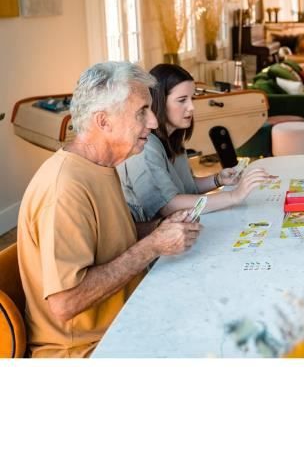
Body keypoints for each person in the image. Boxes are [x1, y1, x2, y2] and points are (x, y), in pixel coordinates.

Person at [17, 62, 202, 358]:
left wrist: (157, 229)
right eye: (142, 111)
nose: (154, 122)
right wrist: (153, 246)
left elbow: (106, 239)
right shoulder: (64, 188)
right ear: (103, 122)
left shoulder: (101, 165)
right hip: (87, 349)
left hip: (128, 318)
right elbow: (65, 302)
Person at [117, 63, 274, 222]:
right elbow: (168, 206)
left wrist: (218, 179)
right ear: (160, 101)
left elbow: (188, 188)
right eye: (182, 100)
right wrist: (234, 195)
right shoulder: (145, 146)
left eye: (192, 98)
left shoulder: (173, 138)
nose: (191, 107)